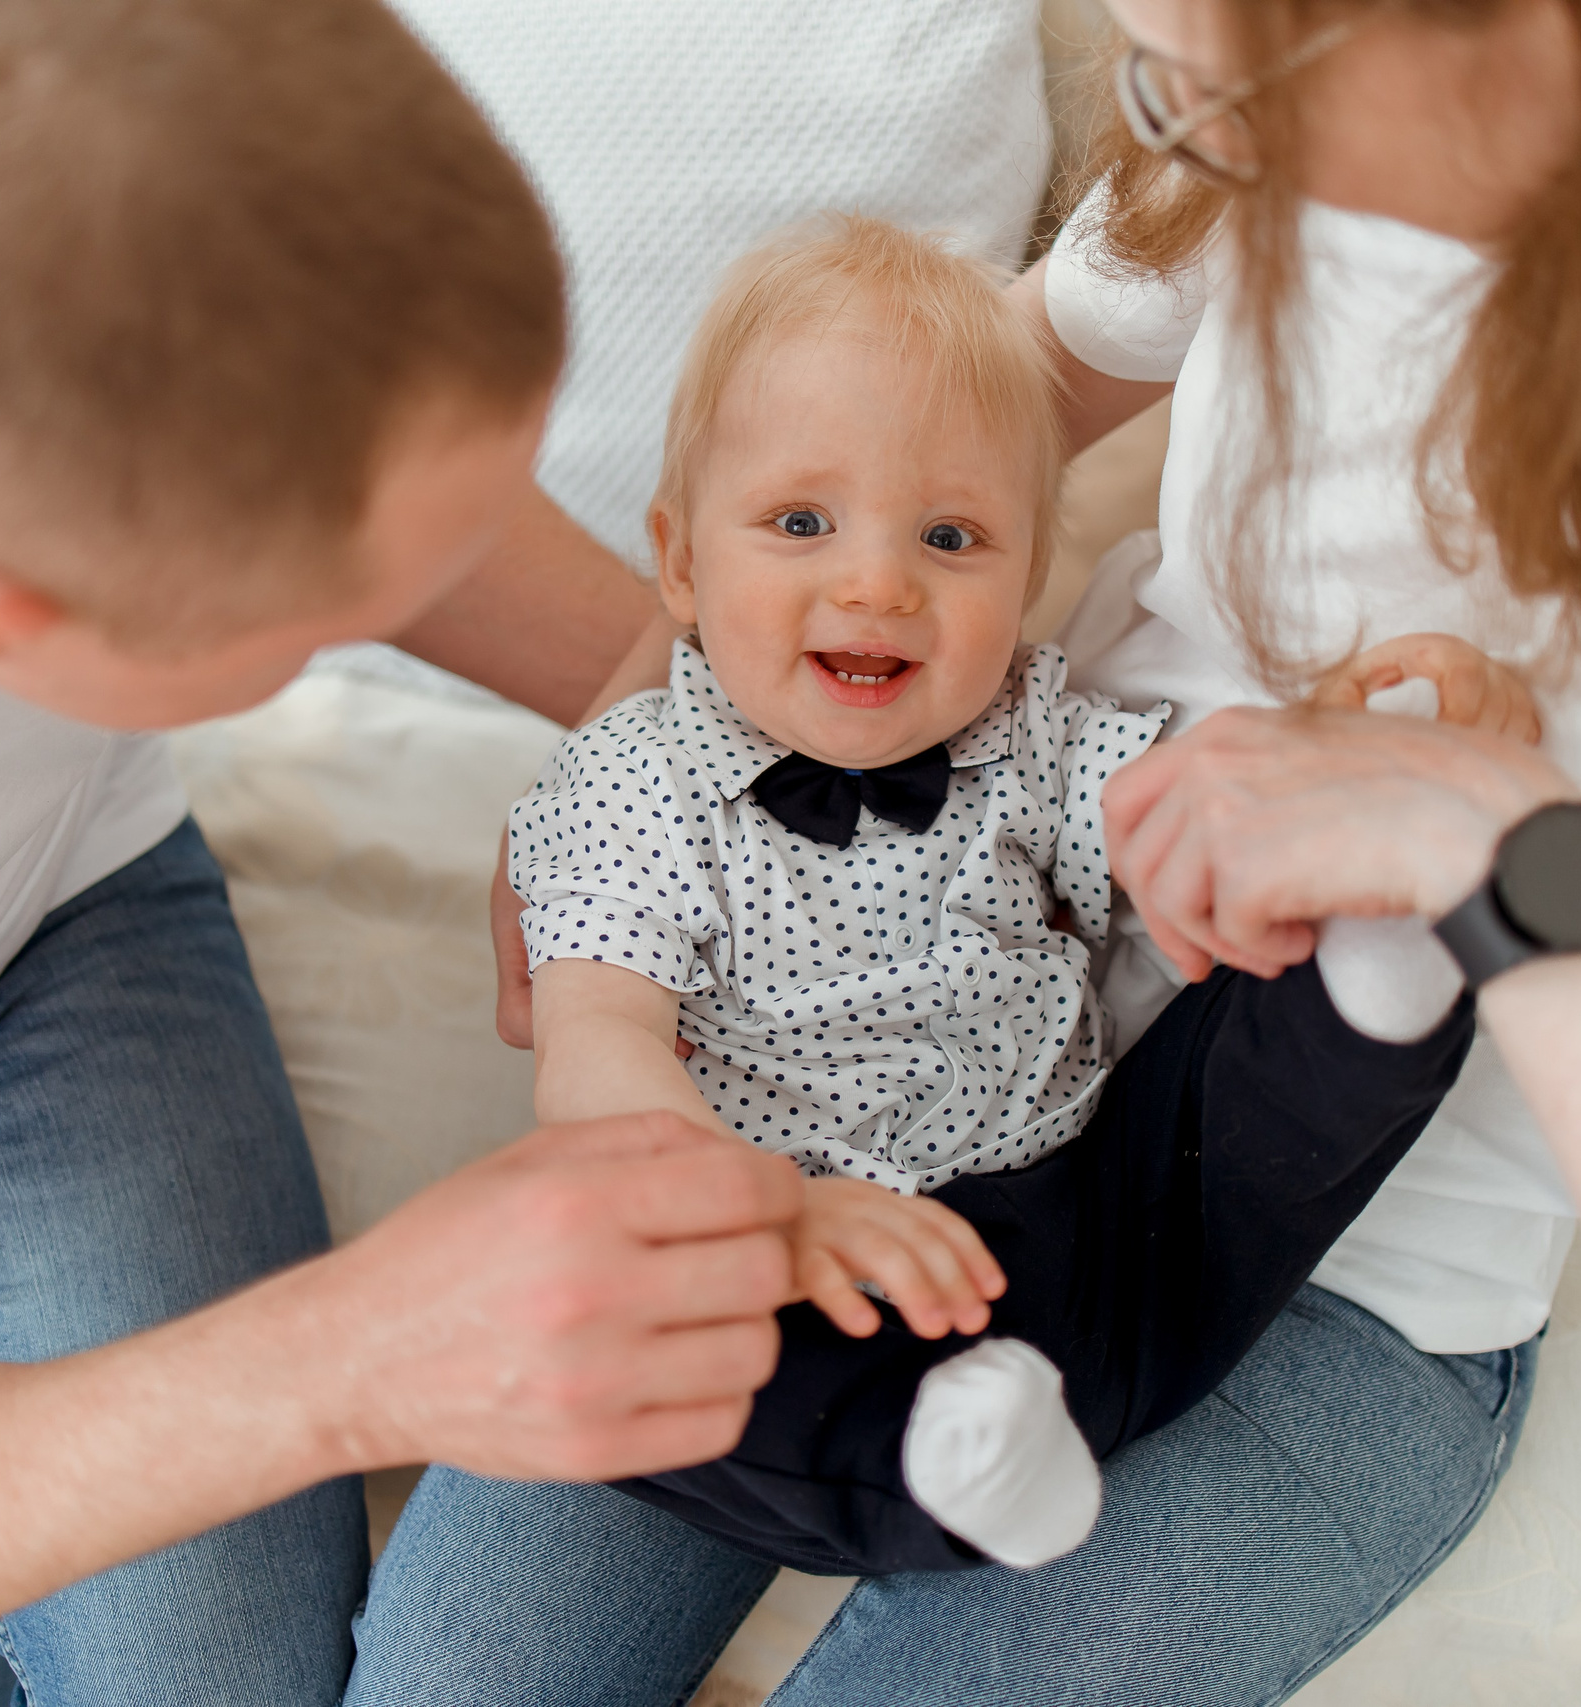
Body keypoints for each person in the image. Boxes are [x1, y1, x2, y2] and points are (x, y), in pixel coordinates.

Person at [361, 0, 1581, 1701]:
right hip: (845, 1098)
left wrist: (1510, 850)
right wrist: (646, 747)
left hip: (1342, 1270)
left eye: (1222, 84)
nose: (1192, 133)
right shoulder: (1255, 118)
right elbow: (943, 406)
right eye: (1166, 82)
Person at [0, 2, 799, 1704]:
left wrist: (696, 752)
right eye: (327, 622)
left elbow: (357, 461)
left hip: (28, 949)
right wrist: (354, 1356)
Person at [502, 217, 1517, 1579]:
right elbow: (597, 1049)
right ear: (682, 566)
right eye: (801, 523)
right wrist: (763, 1214)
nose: (877, 581)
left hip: (1057, 1203)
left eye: (951, 535)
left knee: (1234, 1094)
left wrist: (1315, 770)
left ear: (1029, 575)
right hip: (787, 1236)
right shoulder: (630, 783)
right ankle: (952, 1469)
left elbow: (1187, 824)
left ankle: (1382, 978)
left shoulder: (1033, 724)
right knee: (646, 1362)